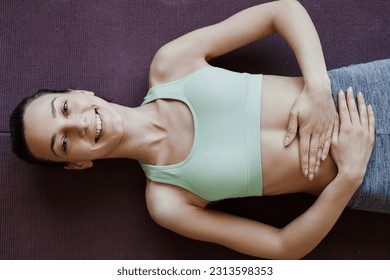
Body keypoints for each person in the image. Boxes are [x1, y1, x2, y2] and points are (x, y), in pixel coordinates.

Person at [9, 0, 388, 259]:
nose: (78, 123)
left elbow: (283, 10)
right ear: (76, 165)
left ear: (79, 92)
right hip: (370, 179)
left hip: (363, 90)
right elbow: (281, 247)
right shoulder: (168, 200)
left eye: (64, 108)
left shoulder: (171, 65)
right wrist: (349, 178)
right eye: (63, 142)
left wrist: (319, 88)